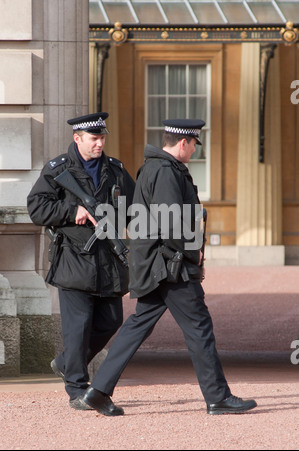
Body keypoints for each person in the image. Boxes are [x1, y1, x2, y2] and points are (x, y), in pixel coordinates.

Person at [79, 118, 257, 416]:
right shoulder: (164, 170)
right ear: (184, 142)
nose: (194, 151)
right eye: (193, 144)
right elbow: (170, 222)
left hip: (160, 264)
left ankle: (97, 391)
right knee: (199, 327)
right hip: (170, 266)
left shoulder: (160, 167)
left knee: (137, 327)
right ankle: (217, 398)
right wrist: (192, 255)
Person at [27, 112, 135, 409]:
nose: (99, 144)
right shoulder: (57, 169)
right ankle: (77, 388)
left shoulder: (114, 170)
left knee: (111, 320)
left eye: (102, 138)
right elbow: (36, 207)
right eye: (94, 139)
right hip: (74, 259)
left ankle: (65, 363)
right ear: (78, 139)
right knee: (79, 326)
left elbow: (134, 206)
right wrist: (70, 210)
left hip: (107, 260)